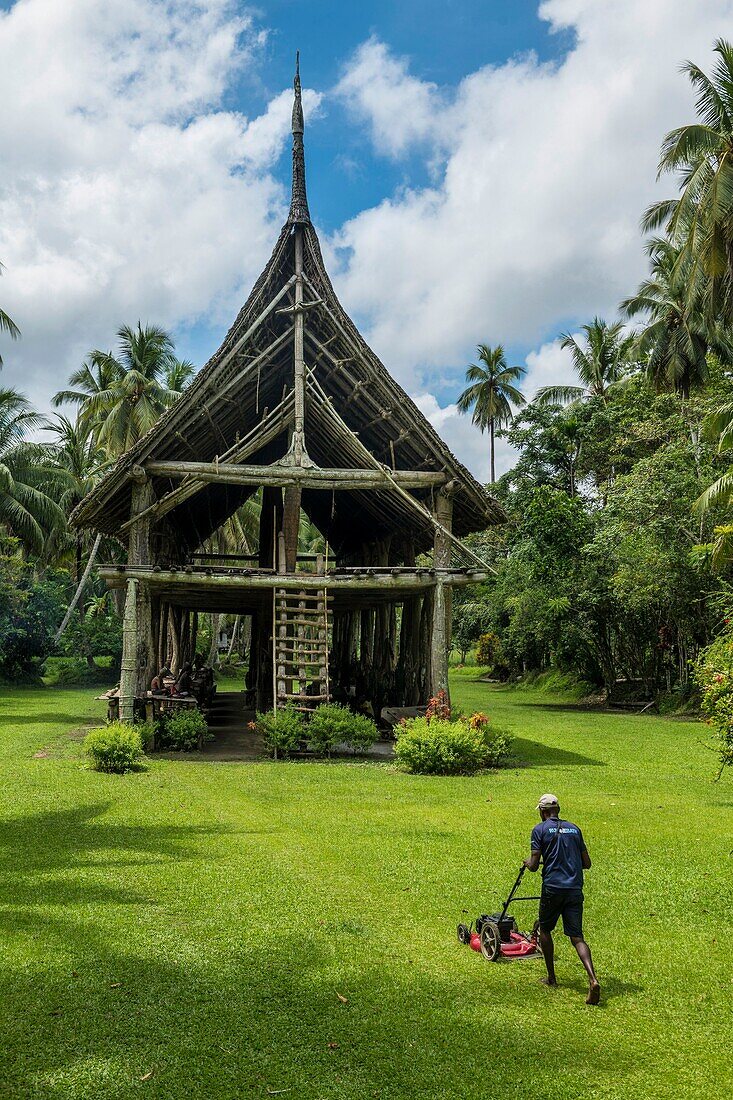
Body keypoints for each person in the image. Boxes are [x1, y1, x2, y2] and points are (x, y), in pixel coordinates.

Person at [524, 793, 601, 1005]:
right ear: (557, 810)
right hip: (574, 889)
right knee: (577, 936)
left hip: (553, 888)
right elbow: (587, 863)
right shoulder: (574, 829)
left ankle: (551, 977)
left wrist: (528, 862)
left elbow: (533, 864)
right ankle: (593, 979)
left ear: (542, 811)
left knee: (545, 929)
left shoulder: (539, 830)